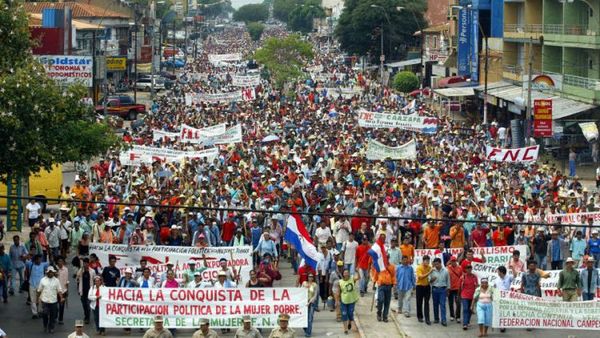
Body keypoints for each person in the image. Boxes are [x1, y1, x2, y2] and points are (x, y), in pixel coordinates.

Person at [37, 266, 64, 334]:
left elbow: (59, 290)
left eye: (52, 272)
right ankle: (45, 325)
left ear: (53, 273)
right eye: (49, 272)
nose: (50, 273)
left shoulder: (56, 281)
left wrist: (61, 298)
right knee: (45, 314)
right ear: (47, 273)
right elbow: (39, 290)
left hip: (53, 301)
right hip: (45, 300)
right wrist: (37, 299)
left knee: (53, 315)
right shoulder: (43, 280)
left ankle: (51, 327)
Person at [27, 254, 48, 318]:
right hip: (32, 284)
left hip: (40, 285)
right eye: (38, 259)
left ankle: (40, 311)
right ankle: (35, 313)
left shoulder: (43, 265)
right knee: (33, 300)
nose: (39, 260)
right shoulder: (31, 264)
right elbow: (24, 260)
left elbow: (51, 263)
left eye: (40, 259)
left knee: (40, 299)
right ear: (35, 260)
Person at [339, 269, 359, 334]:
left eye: (347, 273)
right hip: (343, 301)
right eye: (345, 273)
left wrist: (357, 271)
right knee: (344, 314)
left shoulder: (352, 279)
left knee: (350, 314)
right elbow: (339, 292)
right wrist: (337, 300)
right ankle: (345, 329)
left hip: (351, 300)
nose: (346, 274)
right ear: (343, 274)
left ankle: (350, 322)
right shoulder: (340, 282)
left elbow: (359, 278)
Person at [429, 257, 449, 326]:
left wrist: (448, 290)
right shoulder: (432, 271)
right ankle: (436, 318)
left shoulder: (446, 271)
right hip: (435, 289)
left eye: (437, 264)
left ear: (440, 263)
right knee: (435, 305)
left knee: (443, 304)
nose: (436, 266)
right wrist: (432, 280)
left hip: (443, 289)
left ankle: (443, 320)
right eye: (435, 264)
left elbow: (448, 281)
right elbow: (429, 281)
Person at [76, 257, 96, 323]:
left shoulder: (92, 271)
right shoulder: (80, 270)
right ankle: (86, 315)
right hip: (82, 290)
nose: (85, 265)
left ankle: (87, 318)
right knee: (84, 305)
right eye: (84, 263)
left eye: (87, 263)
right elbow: (77, 277)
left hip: (89, 291)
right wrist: (81, 269)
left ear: (88, 264)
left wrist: (94, 290)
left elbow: (95, 280)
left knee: (88, 305)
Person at [459, 264, 478, 330]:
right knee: (465, 309)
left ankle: (468, 321)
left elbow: (477, 286)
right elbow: (459, 287)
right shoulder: (462, 277)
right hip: (464, 295)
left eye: (470, 268)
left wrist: (477, 296)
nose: (469, 269)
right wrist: (458, 296)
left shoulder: (474, 277)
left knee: (470, 309)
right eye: (467, 268)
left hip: (472, 296)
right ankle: (465, 324)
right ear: (465, 269)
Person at [415, 255, 432, 325]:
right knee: (419, 302)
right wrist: (429, 273)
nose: (427, 262)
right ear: (423, 261)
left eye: (428, 261)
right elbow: (421, 277)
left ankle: (427, 318)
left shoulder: (429, 267)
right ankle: (420, 316)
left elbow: (430, 277)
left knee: (427, 302)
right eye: (426, 261)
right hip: (420, 286)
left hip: (427, 286)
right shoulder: (419, 268)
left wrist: (432, 279)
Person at [446, 256, 462, 323]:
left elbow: (462, 277)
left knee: (458, 303)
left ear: (456, 261)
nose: (453, 262)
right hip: (450, 288)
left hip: (458, 288)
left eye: (454, 261)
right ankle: (452, 315)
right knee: (450, 302)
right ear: (450, 261)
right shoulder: (447, 268)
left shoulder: (460, 268)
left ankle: (458, 316)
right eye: (452, 261)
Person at [55, 256, 70, 325]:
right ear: (57, 262)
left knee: (61, 306)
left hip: (63, 290)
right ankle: (54, 316)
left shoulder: (66, 269)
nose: (60, 263)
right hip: (55, 291)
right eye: (59, 261)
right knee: (55, 306)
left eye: (61, 261)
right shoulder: (54, 269)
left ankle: (60, 319)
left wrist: (67, 290)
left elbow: (67, 280)